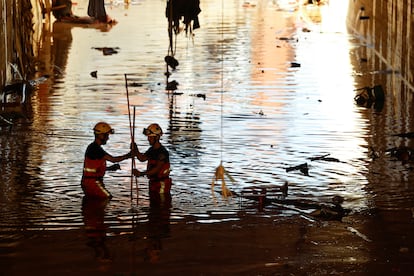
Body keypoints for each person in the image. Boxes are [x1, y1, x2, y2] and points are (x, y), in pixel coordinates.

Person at [81, 122, 133, 199]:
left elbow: (93, 169)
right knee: (107, 198)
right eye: (106, 135)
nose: (107, 138)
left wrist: (109, 168)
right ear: (101, 135)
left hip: (88, 182)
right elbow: (114, 159)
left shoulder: (93, 147)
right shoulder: (96, 149)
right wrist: (129, 155)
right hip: (93, 183)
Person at [132, 123, 172, 201]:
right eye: (148, 137)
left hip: (161, 184)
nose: (148, 139)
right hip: (153, 183)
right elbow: (142, 158)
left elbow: (156, 169)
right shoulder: (151, 150)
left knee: (161, 204)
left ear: (157, 137)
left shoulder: (162, 153)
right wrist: (136, 150)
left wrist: (141, 173)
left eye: (151, 137)